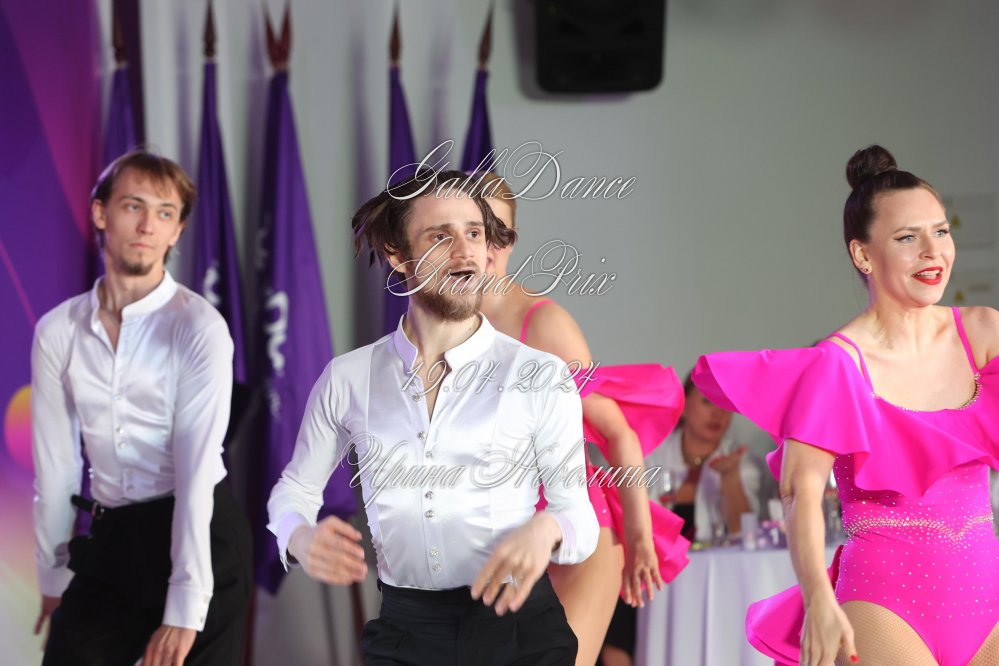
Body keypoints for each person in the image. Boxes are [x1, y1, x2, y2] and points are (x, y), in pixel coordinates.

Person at [267, 169, 600, 666]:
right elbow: (292, 492)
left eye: (474, 233)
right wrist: (299, 537)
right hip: (403, 635)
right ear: (397, 255)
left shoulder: (541, 375)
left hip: (520, 634)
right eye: (440, 237)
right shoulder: (348, 378)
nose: (465, 252)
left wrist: (546, 528)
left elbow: (579, 519)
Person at [692, 145, 999, 666]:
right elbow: (799, 491)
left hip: (986, 594)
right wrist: (818, 599)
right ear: (863, 255)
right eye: (908, 238)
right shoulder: (837, 362)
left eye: (941, 231)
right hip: (886, 602)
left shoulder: (984, 333)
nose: (933, 252)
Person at [32, 150, 252, 666]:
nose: (147, 225)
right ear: (101, 213)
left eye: (165, 212)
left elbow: (196, 472)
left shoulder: (199, 328)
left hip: (202, 538)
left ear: (177, 231)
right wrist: (53, 576)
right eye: (133, 206)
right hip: (112, 542)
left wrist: (186, 606)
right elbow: (57, 467)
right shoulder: (58, 331)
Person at [476, 172, 689, 666]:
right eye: (472, 230)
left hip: (576, 526)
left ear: (513, 240)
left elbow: (617, 432)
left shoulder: (543, 324)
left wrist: (638, 536)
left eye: (497, 233)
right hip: (493, 533)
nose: (484, 247)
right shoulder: (442, 328)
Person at [646, 372, 761, 543]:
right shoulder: (650, 455)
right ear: (683, 406)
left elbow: (748, 538)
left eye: (725, 404)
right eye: (707, 401)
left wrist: (730, 477)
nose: (718, 413)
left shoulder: (742, 461)